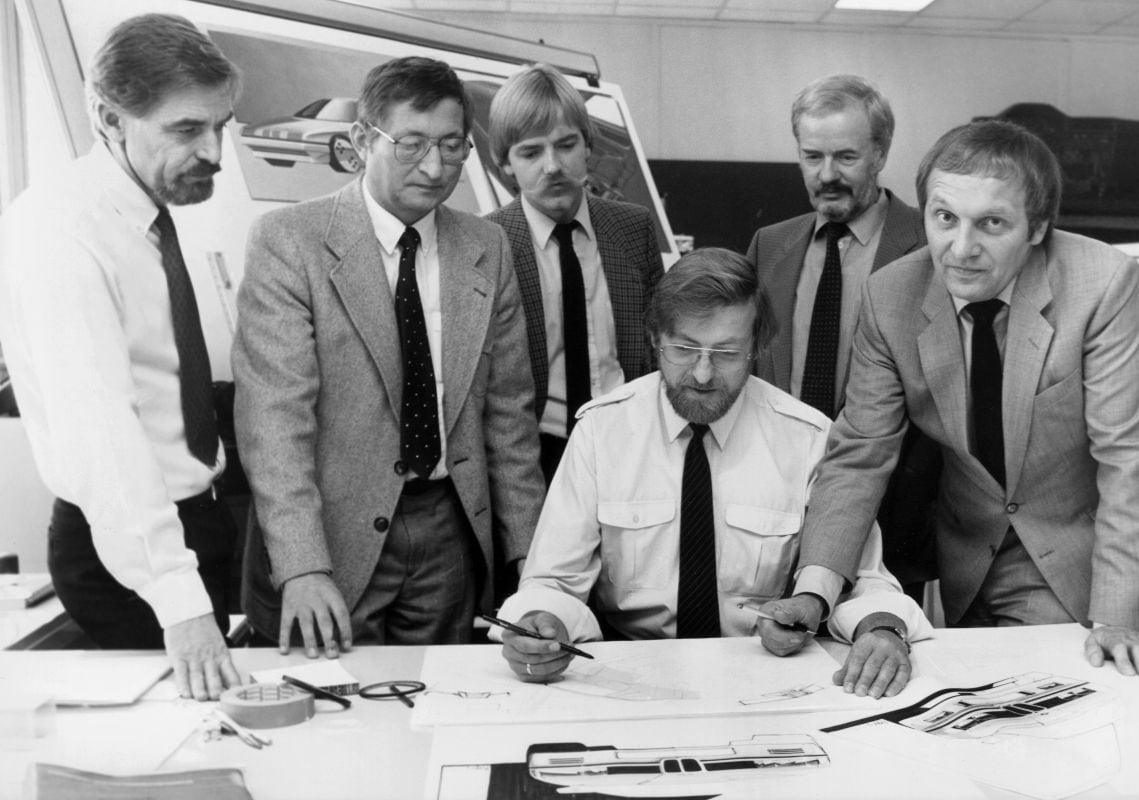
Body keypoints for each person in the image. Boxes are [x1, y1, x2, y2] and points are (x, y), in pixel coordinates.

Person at [785, 119, 1139, 677]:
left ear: (1037, 227)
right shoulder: (891, 296)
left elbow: (1130, 457)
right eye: (945, 218)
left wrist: (1118, 616)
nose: (961, 248)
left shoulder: (1100, 282)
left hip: (1090, 559)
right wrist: (815, 591)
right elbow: (858, 456)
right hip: (968, 562)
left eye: (992, 223)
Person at [493, 248, 932, 698]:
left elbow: (865, 580)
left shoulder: (807, 438)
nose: (702, 375)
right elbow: (552, 580)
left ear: (756, 348)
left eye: (726, 353)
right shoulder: (601, 431)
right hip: (627, 673)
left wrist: (883, 629)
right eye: (684, 349)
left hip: (769, 677)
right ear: (655, 338)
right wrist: (542, 622)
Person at [232, 56, 544, 655]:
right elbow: (274, 423)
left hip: (448, 533)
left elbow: (509, 418)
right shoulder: (290, 242)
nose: (434, 167)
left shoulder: (487, 246)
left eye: (451, 146)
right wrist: (302, 565)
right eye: (411, 144)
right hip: (332, 532)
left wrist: (533, 564)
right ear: (361, 141)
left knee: (440, 697)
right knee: (338, 705)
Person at [0, 14, 242, 700]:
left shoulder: (142, 214)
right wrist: (179, 601)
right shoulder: (63, 229)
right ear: (110, 118)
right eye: (187, 129)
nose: (215, 152)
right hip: (129, 549)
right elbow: (100, 435)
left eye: (221, 126)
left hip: (190, 523)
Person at [745, 73, 936, 594]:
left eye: (846, 157)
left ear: (880, 154)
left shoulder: (930, 246)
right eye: (812, 157)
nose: (826, 175)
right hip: (781, 507)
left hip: (897, 514)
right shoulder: (769, 246)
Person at [485, 63, 663, 481]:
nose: (552, 166)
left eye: (565, 145)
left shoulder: (633, 228)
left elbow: (658, 343)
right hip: (534, 456)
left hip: (631, 444)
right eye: (531, 152)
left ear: (588, 145)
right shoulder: (488, 242)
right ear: (505, 163)